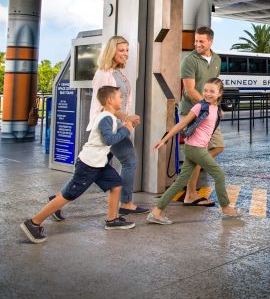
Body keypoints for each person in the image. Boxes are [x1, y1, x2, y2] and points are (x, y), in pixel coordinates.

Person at [21, 86, 136, 243]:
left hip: (99, 163)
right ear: (110, 100)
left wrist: (126, 125)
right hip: (89, 165)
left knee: (116, 184)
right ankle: (33, 223)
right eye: (119, 97)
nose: (121, 100)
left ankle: (112, 220)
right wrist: (127, 130)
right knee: (69, 195)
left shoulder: (109, 116)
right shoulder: (105, 118)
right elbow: (109, 140)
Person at [53, 36, 147, 219]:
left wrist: (126, 119)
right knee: (129, 162)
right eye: (121, 50)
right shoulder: (104, 74)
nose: (125, 54)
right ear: (111, 51)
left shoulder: (119, 73)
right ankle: (126, 203)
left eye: (127, 50)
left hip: (117, 124)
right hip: (109, 127)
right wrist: (126, 119)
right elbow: (106, 105)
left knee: (90, 172)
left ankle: (57, 200)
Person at [147, 78, 238, 224]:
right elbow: (182, 123)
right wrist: (165, 139)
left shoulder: (215, 108)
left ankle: (156, 212)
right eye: (205, 90)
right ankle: (226, 207)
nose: (207, 94)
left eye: (212, 91)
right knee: (219, 174)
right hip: (196, 148)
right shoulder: (200, 107)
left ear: (220, 93)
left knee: (180, 182)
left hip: (195, 147)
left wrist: (220, 111)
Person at [177, 26, 223, 206]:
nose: (197, 44)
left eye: (201, 41)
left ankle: (191, 183)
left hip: (209, 113)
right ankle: (190, 193)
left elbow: (216, 86)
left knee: (218, 146)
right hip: (193, 112)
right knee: (199, 153)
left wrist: (216, 104)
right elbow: (189, 91)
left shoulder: (217, 59)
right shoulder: (189, 60)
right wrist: (210, 105)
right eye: (196, 41)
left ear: (211, 41)